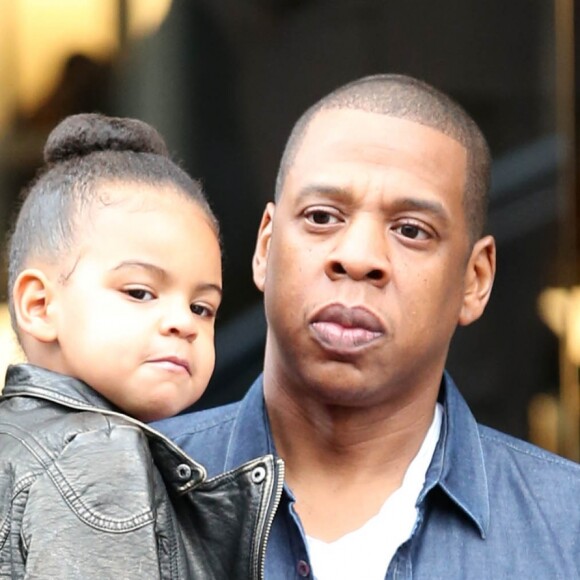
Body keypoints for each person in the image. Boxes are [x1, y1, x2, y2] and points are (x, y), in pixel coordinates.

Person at [154, 74, 580, 579]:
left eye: (411, 230)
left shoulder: (565, 529)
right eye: (321, 216)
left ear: (475, 279)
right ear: (266, 247)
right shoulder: (126, 489)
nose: (357, 258)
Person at [0, 113, 282, 579]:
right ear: (39, 304)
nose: (182, 324)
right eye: (139, 292)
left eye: (201, 308)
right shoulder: (99, 456)